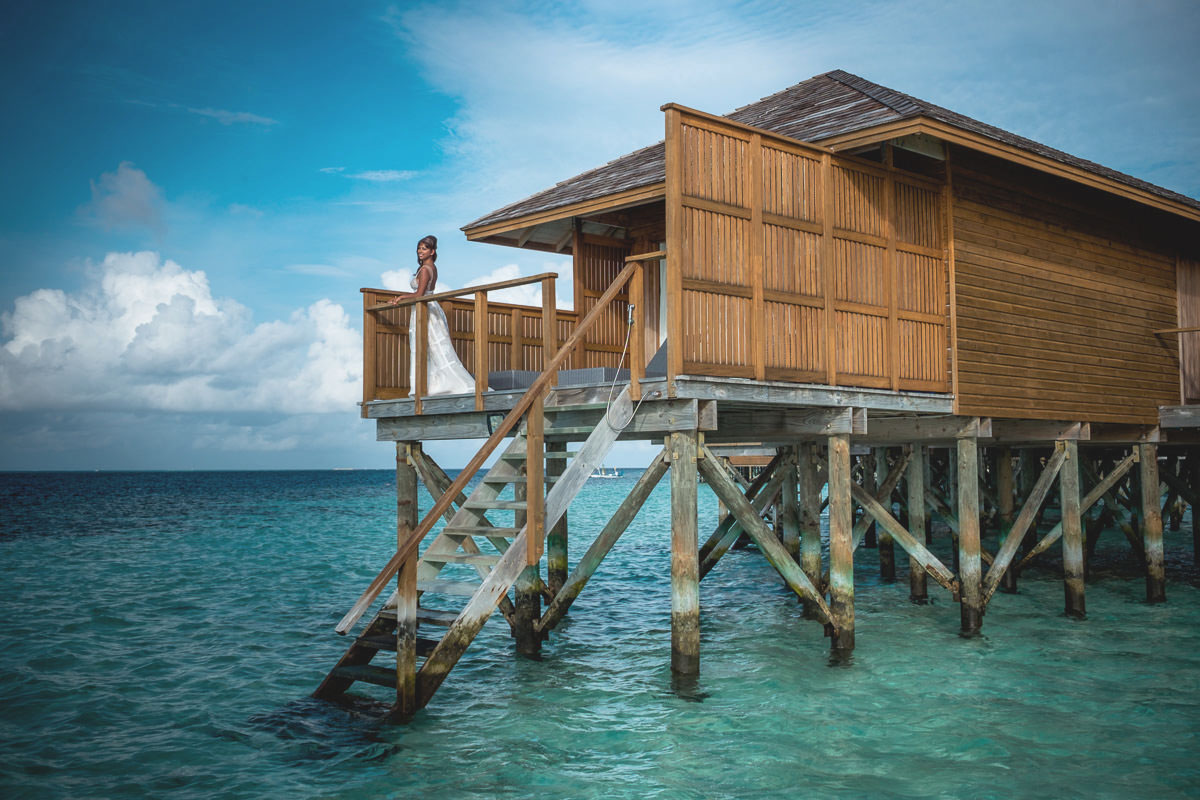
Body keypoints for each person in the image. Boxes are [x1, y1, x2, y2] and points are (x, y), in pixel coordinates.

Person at [389, 235, 477, 395]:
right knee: (432, 348)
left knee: (431, 347)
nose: (420, 251)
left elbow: (420, 294)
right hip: (430, 307)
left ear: (432, 251)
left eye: (424, 248)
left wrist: (402, 297)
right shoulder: (431, 267)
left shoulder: (425, 270)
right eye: (419, 248)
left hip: (425, 308)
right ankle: (432, 386)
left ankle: (440, 386)